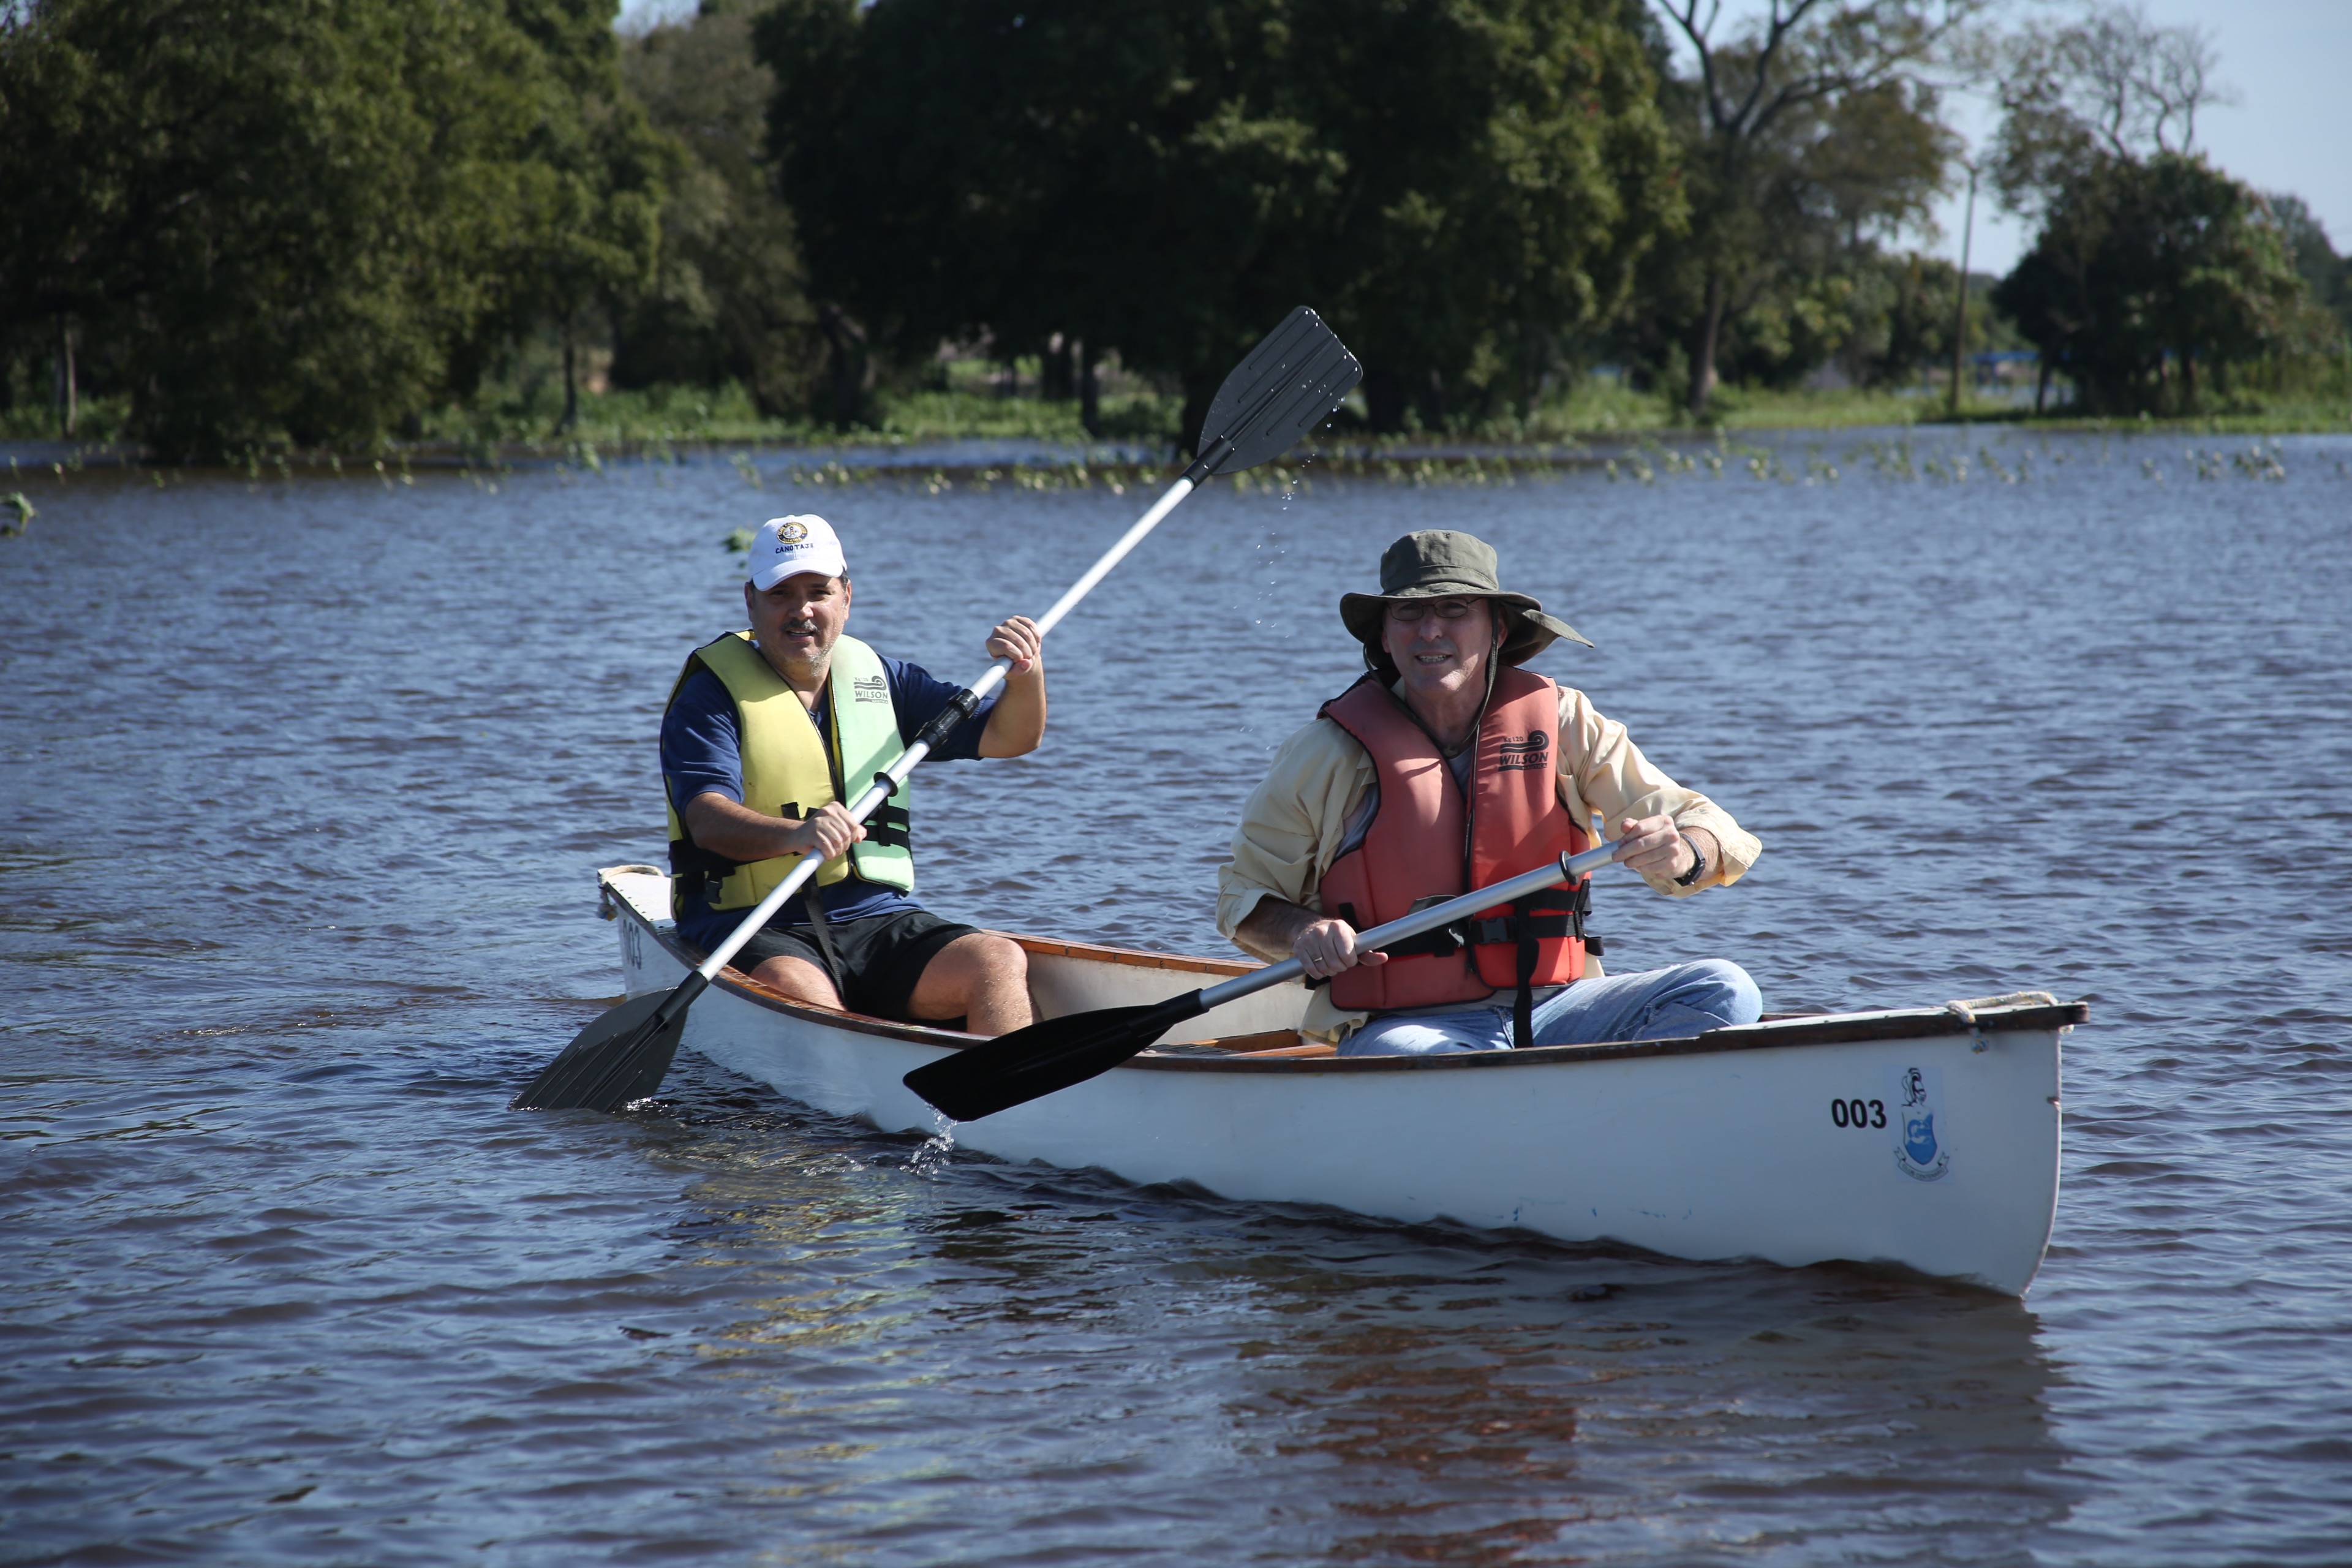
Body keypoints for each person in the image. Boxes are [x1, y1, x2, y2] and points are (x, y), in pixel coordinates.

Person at [1218, 529, 1763, 1055]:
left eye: (1454, 609)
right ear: (1384, 636)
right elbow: (1243, 900)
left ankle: (1596, 1100)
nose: (1430, 630)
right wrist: (1306, 931)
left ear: (1498, 630)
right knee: (1429, 1060)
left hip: (1558, 1007)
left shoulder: (1566, 722)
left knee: (1724, 988)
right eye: (1408, 612)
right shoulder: (1324, 753)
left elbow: (1706, 824)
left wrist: (1686, 851)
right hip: (1404, 1026)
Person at [660, 514, 1044, 1033]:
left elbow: (1010, 737)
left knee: (996, 960)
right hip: (756, 921)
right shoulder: (709, 697)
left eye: (818, 592)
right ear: (751, 601)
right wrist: (796, 833)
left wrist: (1025, 674)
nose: (801, 610)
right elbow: (707, 819)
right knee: (805, 996)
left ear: (846, 596)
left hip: (876, 917)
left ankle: (1008, 1079)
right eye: (780, 594)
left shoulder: (884, 680)